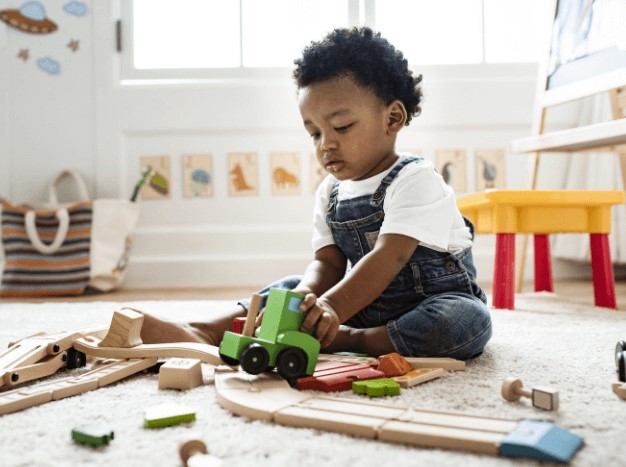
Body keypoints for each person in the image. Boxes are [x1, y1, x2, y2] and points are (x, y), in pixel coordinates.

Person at [140, 27, 492, 359]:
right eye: (314, 133)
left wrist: (332, 309)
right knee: (290, 287)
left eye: (341, 126)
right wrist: (302, 299)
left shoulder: (415, 178)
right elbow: (328, 264)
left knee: (462, 321)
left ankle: (353, 341)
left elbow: (390, 257)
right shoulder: (331, 192)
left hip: (428, 302)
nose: (326, 144)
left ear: (393, 118)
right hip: (360, 304)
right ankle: (205, 330)